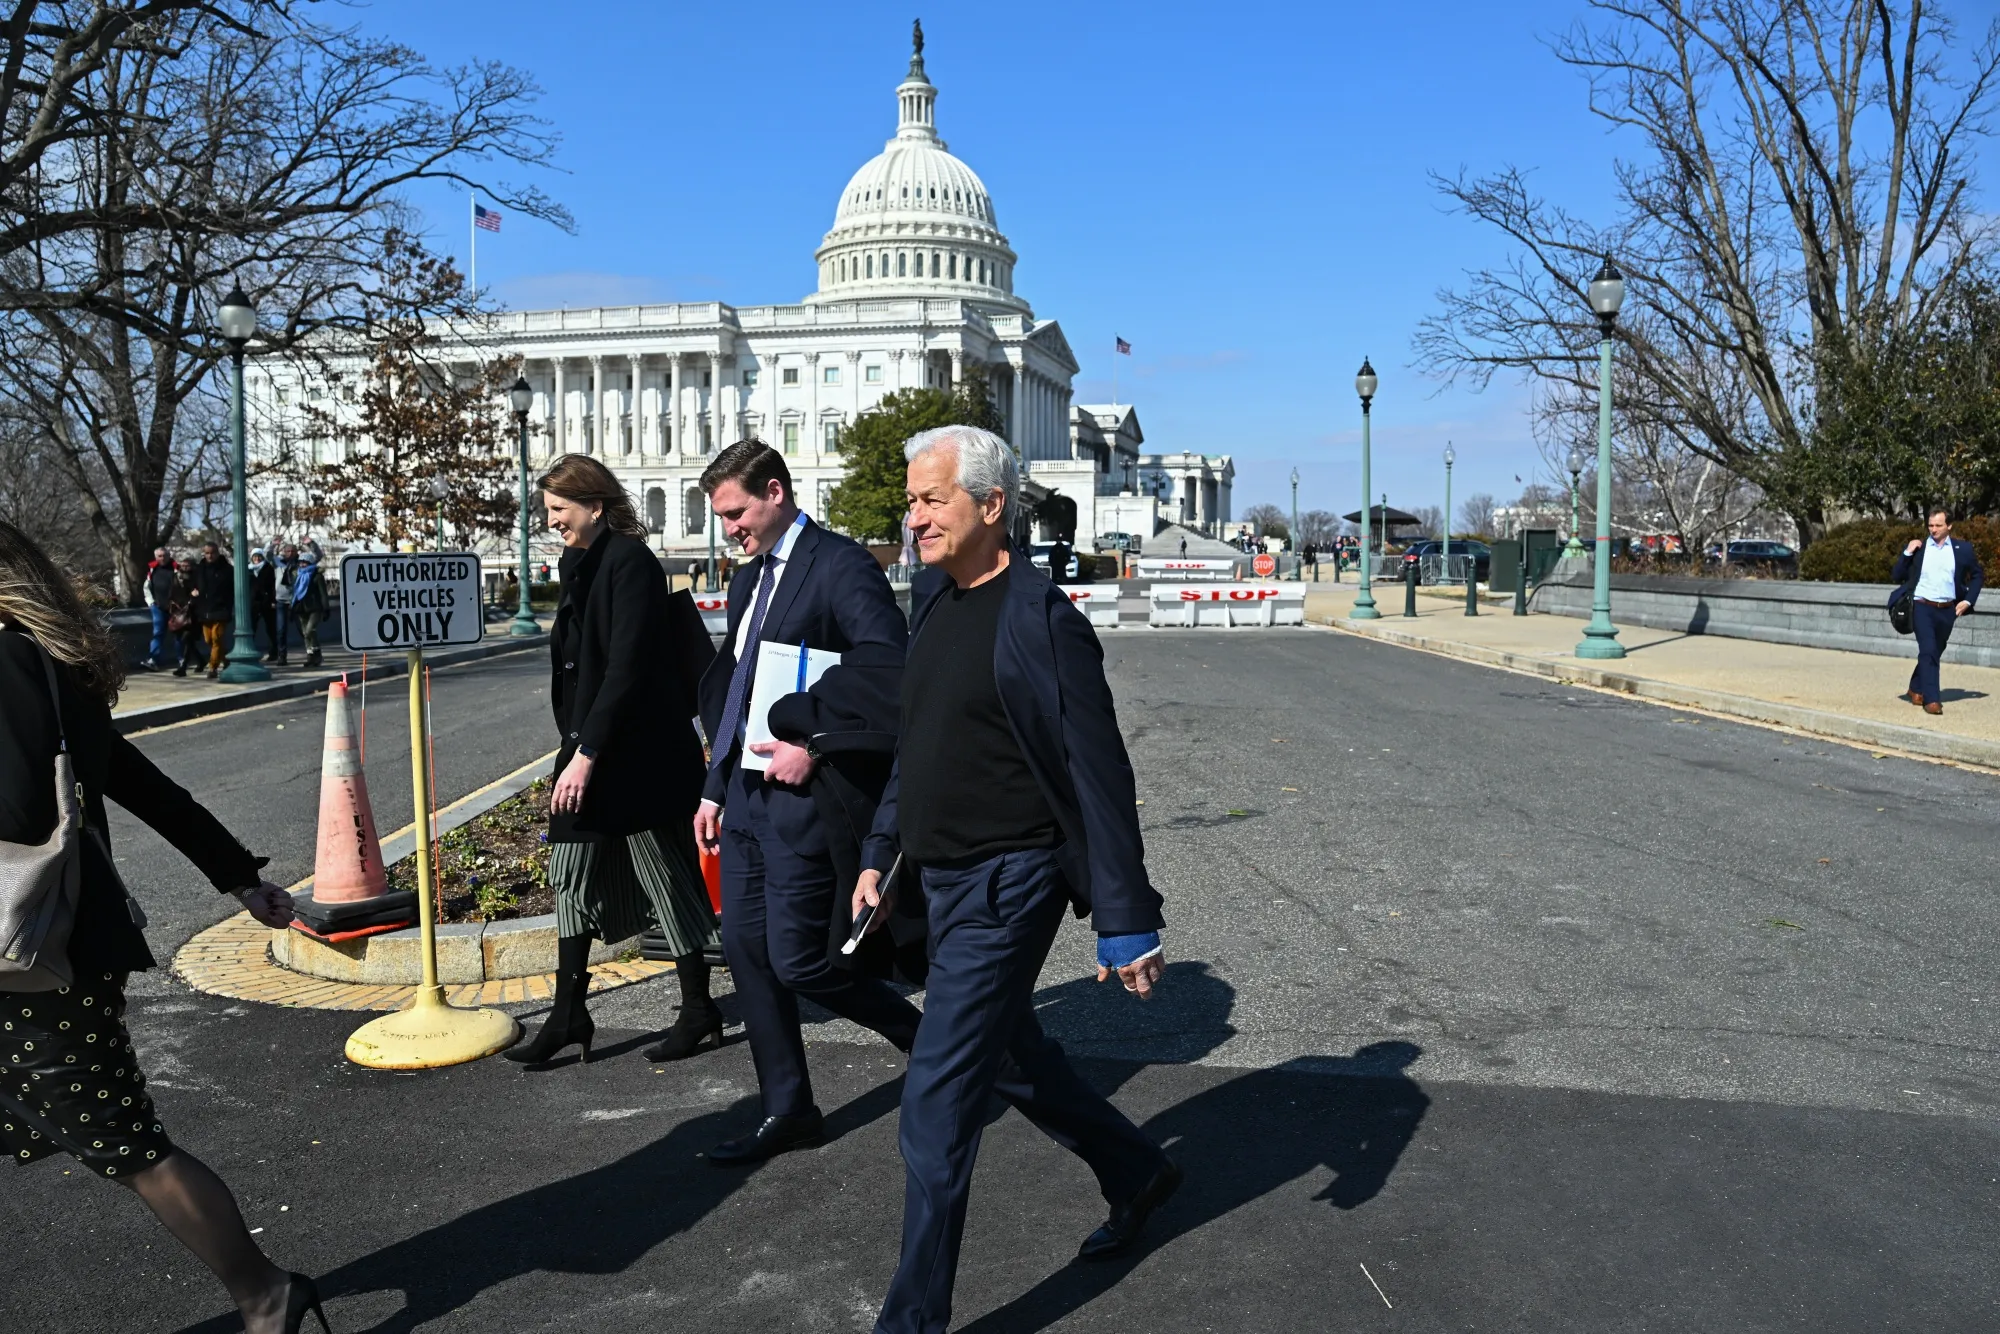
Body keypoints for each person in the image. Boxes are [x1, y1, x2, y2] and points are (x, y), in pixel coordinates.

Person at [853, 425, 1177, 1334]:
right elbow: (917, 744)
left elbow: (1098, 774)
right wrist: (880, 850)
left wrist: (1125, 917)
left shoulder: (1042, 620)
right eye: (911, 502)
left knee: (935, 1103)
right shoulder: (933, 598)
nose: (914, 517)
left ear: (992, 506)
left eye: (932, 500)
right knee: (1006, 1054)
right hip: (938, 881)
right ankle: (1137, 1170)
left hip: (1009, 886)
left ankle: (911, 1323)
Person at [0, 521, 327, 1333]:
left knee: (126, 1142)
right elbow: (150, 789)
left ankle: (269, 1296)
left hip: (39, 958)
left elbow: (18, 810)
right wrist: (240, 877)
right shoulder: (50, 666)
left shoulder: (9, 665)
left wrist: (241, 879)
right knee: (117, 1137)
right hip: (52, 943)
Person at [694, 439, 921, 1165]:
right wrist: (714, 786)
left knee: (798, 961)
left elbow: (885, 666)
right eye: (721, 517)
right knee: (746, 954)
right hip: (743, 796)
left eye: (736, 513)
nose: (728, 529)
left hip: (802, 796)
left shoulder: (841, 565)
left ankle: (928, 1042)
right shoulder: (748, 579)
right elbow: (737, 686)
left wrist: (815, 742)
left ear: (775, 492)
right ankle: (788, 1109)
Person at [504, 457, 720, 1066]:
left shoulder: (631, 563)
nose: (551, 521)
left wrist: (587, 753)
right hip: (590, 747)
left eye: (559, 509)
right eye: (547, 510)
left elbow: (628, 667)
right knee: (569, 871)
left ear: (595, 506)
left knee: (665, 876)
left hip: (639, 756)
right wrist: (578, 749)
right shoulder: (581, 562)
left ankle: (698, 1007)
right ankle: (569, 1014)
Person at [1893, 509, 1984, 714]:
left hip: (1948, 610)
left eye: (1938, 525)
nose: (1933, 530)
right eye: (1930, 525)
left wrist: (1968, 600)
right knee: (1928, 649)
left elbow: (1978, 576)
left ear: (1949, 526)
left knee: (1935, 650)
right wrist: (1907, 552)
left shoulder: (1963, 549)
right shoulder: (1920, 548)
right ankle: (1932, 699)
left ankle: (1915, 687)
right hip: (1922, 606)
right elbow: (1897, 575)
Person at [190, 542, 234, 679]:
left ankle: (212, 667)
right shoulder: (199, 569)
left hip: (221, 608)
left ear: (218, 553)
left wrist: (228, 605)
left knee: (216, 637)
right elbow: (192, 584)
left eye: (213, 553)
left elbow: (232, 588)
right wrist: (193, 592)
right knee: (209, 639)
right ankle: (226, 659)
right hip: (204, 609)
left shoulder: (227, 569)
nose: (210, 556)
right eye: (207, 553)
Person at [291, 551, 327, 670]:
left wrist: (326, 608)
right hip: (301, 608)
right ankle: (310, 656)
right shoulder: (297, 575)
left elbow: (323, 594)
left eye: (305, 562)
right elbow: (294, 593)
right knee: (305, 633)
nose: (302, 565)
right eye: (300, 562)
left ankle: (317, 653)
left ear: (310, 563)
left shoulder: (317, 576)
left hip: (315, 608)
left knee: (309, 630)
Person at [142, 548, 176, 670]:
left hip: (175, 607)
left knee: (179, 634)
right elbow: (146, 587)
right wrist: (151, 603)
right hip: (158, 607)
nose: (162, 558)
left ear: (169, 556)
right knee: (158, 633)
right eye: (159, 556)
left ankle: (182, 659)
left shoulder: (176, 569)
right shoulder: (152, 570)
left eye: (164, 555)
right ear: (156, 557)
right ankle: (153, 659)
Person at [169, 564, 204, 678]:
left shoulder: (196, 577)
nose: (185, 567)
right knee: (189, 642)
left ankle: (183, 667)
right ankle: (201, 660)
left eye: (187, 564)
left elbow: (199, 594)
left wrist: (193, 596)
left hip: (193, 615)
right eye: (182, 564)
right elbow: (171, 594)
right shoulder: (175, 578)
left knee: (187, 639)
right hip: (180, 615)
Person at [270, 543, 299, 666]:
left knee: (303, 630)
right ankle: (282, 655)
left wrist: (310, 544)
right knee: (281, 630)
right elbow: (267, 555)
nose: (290, 553)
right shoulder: (278, 562)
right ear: (284, 552)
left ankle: (313, 653)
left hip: (296, 599)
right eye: (288, 551)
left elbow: (317, 556)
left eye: (293, 551)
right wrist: (272, 545)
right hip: (281, 600)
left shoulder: (301, 563)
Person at [248, 548, 277, 662]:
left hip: (267, 601)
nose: (257, 559)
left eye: (259, 556)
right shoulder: (248, 569)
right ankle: (250, 651)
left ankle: (273, 652)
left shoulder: (268, 568)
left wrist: (273, 600)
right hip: (253, 602)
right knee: (251, 628)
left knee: (270, 628)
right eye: (255, 557)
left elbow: (272, 585)